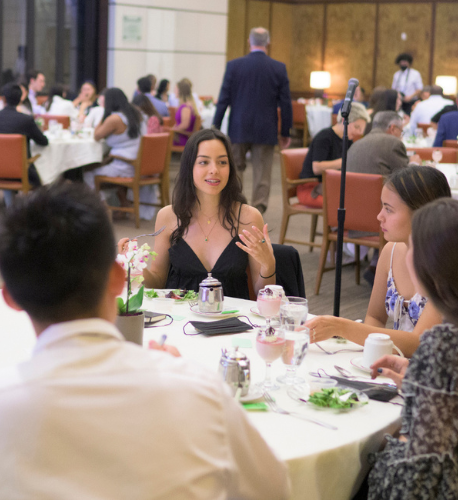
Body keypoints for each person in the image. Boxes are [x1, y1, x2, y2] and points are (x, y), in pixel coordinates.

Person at [0, 183, 290, 499]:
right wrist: (179, 377)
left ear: (9, 298)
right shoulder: (195, 388)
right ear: (116, 277)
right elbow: (274, 490)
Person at [367, 199, 458, 499]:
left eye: (412, 247)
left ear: (431, 264)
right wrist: (421, 380)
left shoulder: (447, 344)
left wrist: (389, 447)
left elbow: (418, 479)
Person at [305, 166, 451, 357]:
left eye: (389, 210)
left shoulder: (449, 263)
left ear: (422, 213)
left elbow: (419, 343)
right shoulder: (391, 251)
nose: (379, 216)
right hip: (399, 366)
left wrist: (340, 327)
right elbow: (374, 317)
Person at [119, 128, 277, 300]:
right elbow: (158, 283)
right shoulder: (169, 216)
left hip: (232, 323)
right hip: (179, 322)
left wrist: (268, 265)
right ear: (190, 166)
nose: (214, 170)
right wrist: (134, 266)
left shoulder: (248, 218)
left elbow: (263, 294)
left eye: (222, 162)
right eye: (203, 162)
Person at [213, 27, 293, 214]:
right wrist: (286, 132)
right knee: (262, 173)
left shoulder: (234, 66)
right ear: (268, 43)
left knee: (235, 169)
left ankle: (236, 206)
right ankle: (257, 210)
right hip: (266, 129)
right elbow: (286, 103)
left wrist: (214, 128)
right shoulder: (278, 68)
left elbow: (223, 99)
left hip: (239, 127)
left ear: (249, 42)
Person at [297, 102, 369, 208]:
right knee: (347, 206)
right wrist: (345, 161)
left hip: (331, 186)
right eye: (357, 127)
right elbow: (317, 168)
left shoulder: (348, 139)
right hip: (310, 188)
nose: (359, 132)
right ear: (344, 120)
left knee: (361, 200)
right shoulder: (324, 137)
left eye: (362, 129)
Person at [0, 83, 48, 205]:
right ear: (20, 99)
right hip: (21, 173)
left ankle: (9, 206)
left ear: (3, 98)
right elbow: (43, 141)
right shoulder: (25, 120)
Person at [347, 111, 420, 176]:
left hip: (352, 190)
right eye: (401, 131)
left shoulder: (354, 145)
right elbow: (406, 179)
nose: (401, 136)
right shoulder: (393, 143)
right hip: (379, 190)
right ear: (393, 128)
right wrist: (414, 163)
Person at [171, 78, 198, 146]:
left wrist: (173, 129)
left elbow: (185, 125)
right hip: (181, 136)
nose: (174, 91)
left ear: (181, 91)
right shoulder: (186, 105)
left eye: (176, 89)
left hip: (182, 139)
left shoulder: (186, 107)